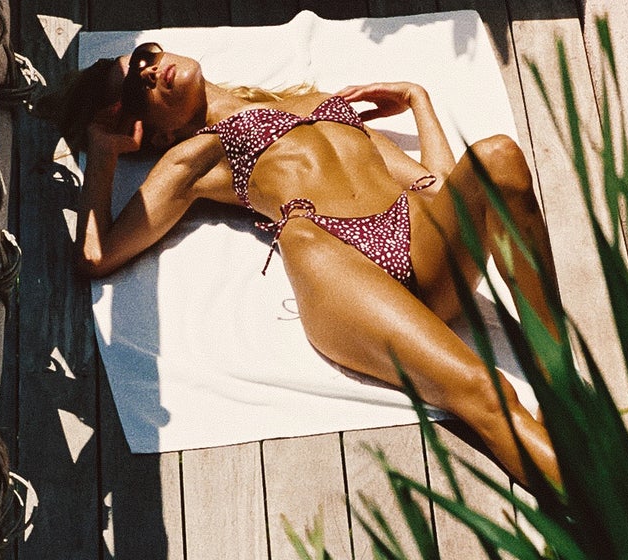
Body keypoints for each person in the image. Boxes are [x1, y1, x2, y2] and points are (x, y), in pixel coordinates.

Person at [38, 41, 561, 487]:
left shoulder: (317, 102)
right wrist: (103, 154)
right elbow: (96, 255)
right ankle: (605, 533)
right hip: (341, 268)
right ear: (155, 134)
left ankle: (559, 385)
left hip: (420, 241)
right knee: (486, 392)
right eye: (138, 90)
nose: (151, 71)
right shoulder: (195, 156)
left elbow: (434, 187)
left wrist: (418, 100)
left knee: (497, 156)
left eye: (146, 57)